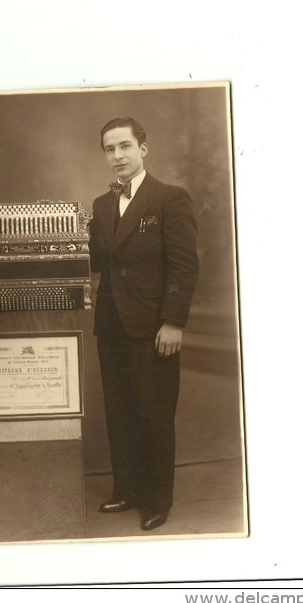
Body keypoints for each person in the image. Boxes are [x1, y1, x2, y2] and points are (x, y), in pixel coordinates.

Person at [89, 117, 199, 531]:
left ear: (143, 149)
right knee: (120, 411)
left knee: (154, 413)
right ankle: (128, 489)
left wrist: (173, 321)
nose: (116, 156)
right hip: (112, 325)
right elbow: (101, 261)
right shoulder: (101, 204)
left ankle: (157, 499)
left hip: (154, 326)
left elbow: (185, 267)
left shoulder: (170, 198)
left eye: (124, 146)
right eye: (108, 149)